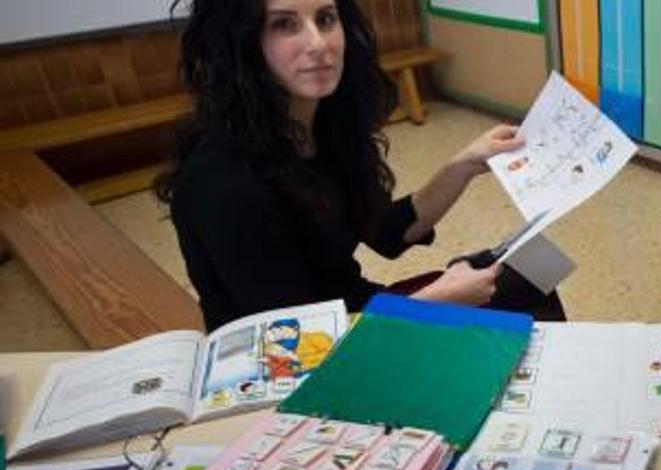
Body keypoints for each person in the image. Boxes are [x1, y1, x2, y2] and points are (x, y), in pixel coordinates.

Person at [155, 0, 557, 330]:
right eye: (284, 25)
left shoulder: (326, 129)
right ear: (242, 44)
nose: (318, 43)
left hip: (355, 315)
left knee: (533, 275)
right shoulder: (225, 182)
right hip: (289, 365)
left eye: (326, 19)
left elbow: (388, 233)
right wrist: (436, 302)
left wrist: (465, 163)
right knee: (507, 304)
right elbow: (295, 345)